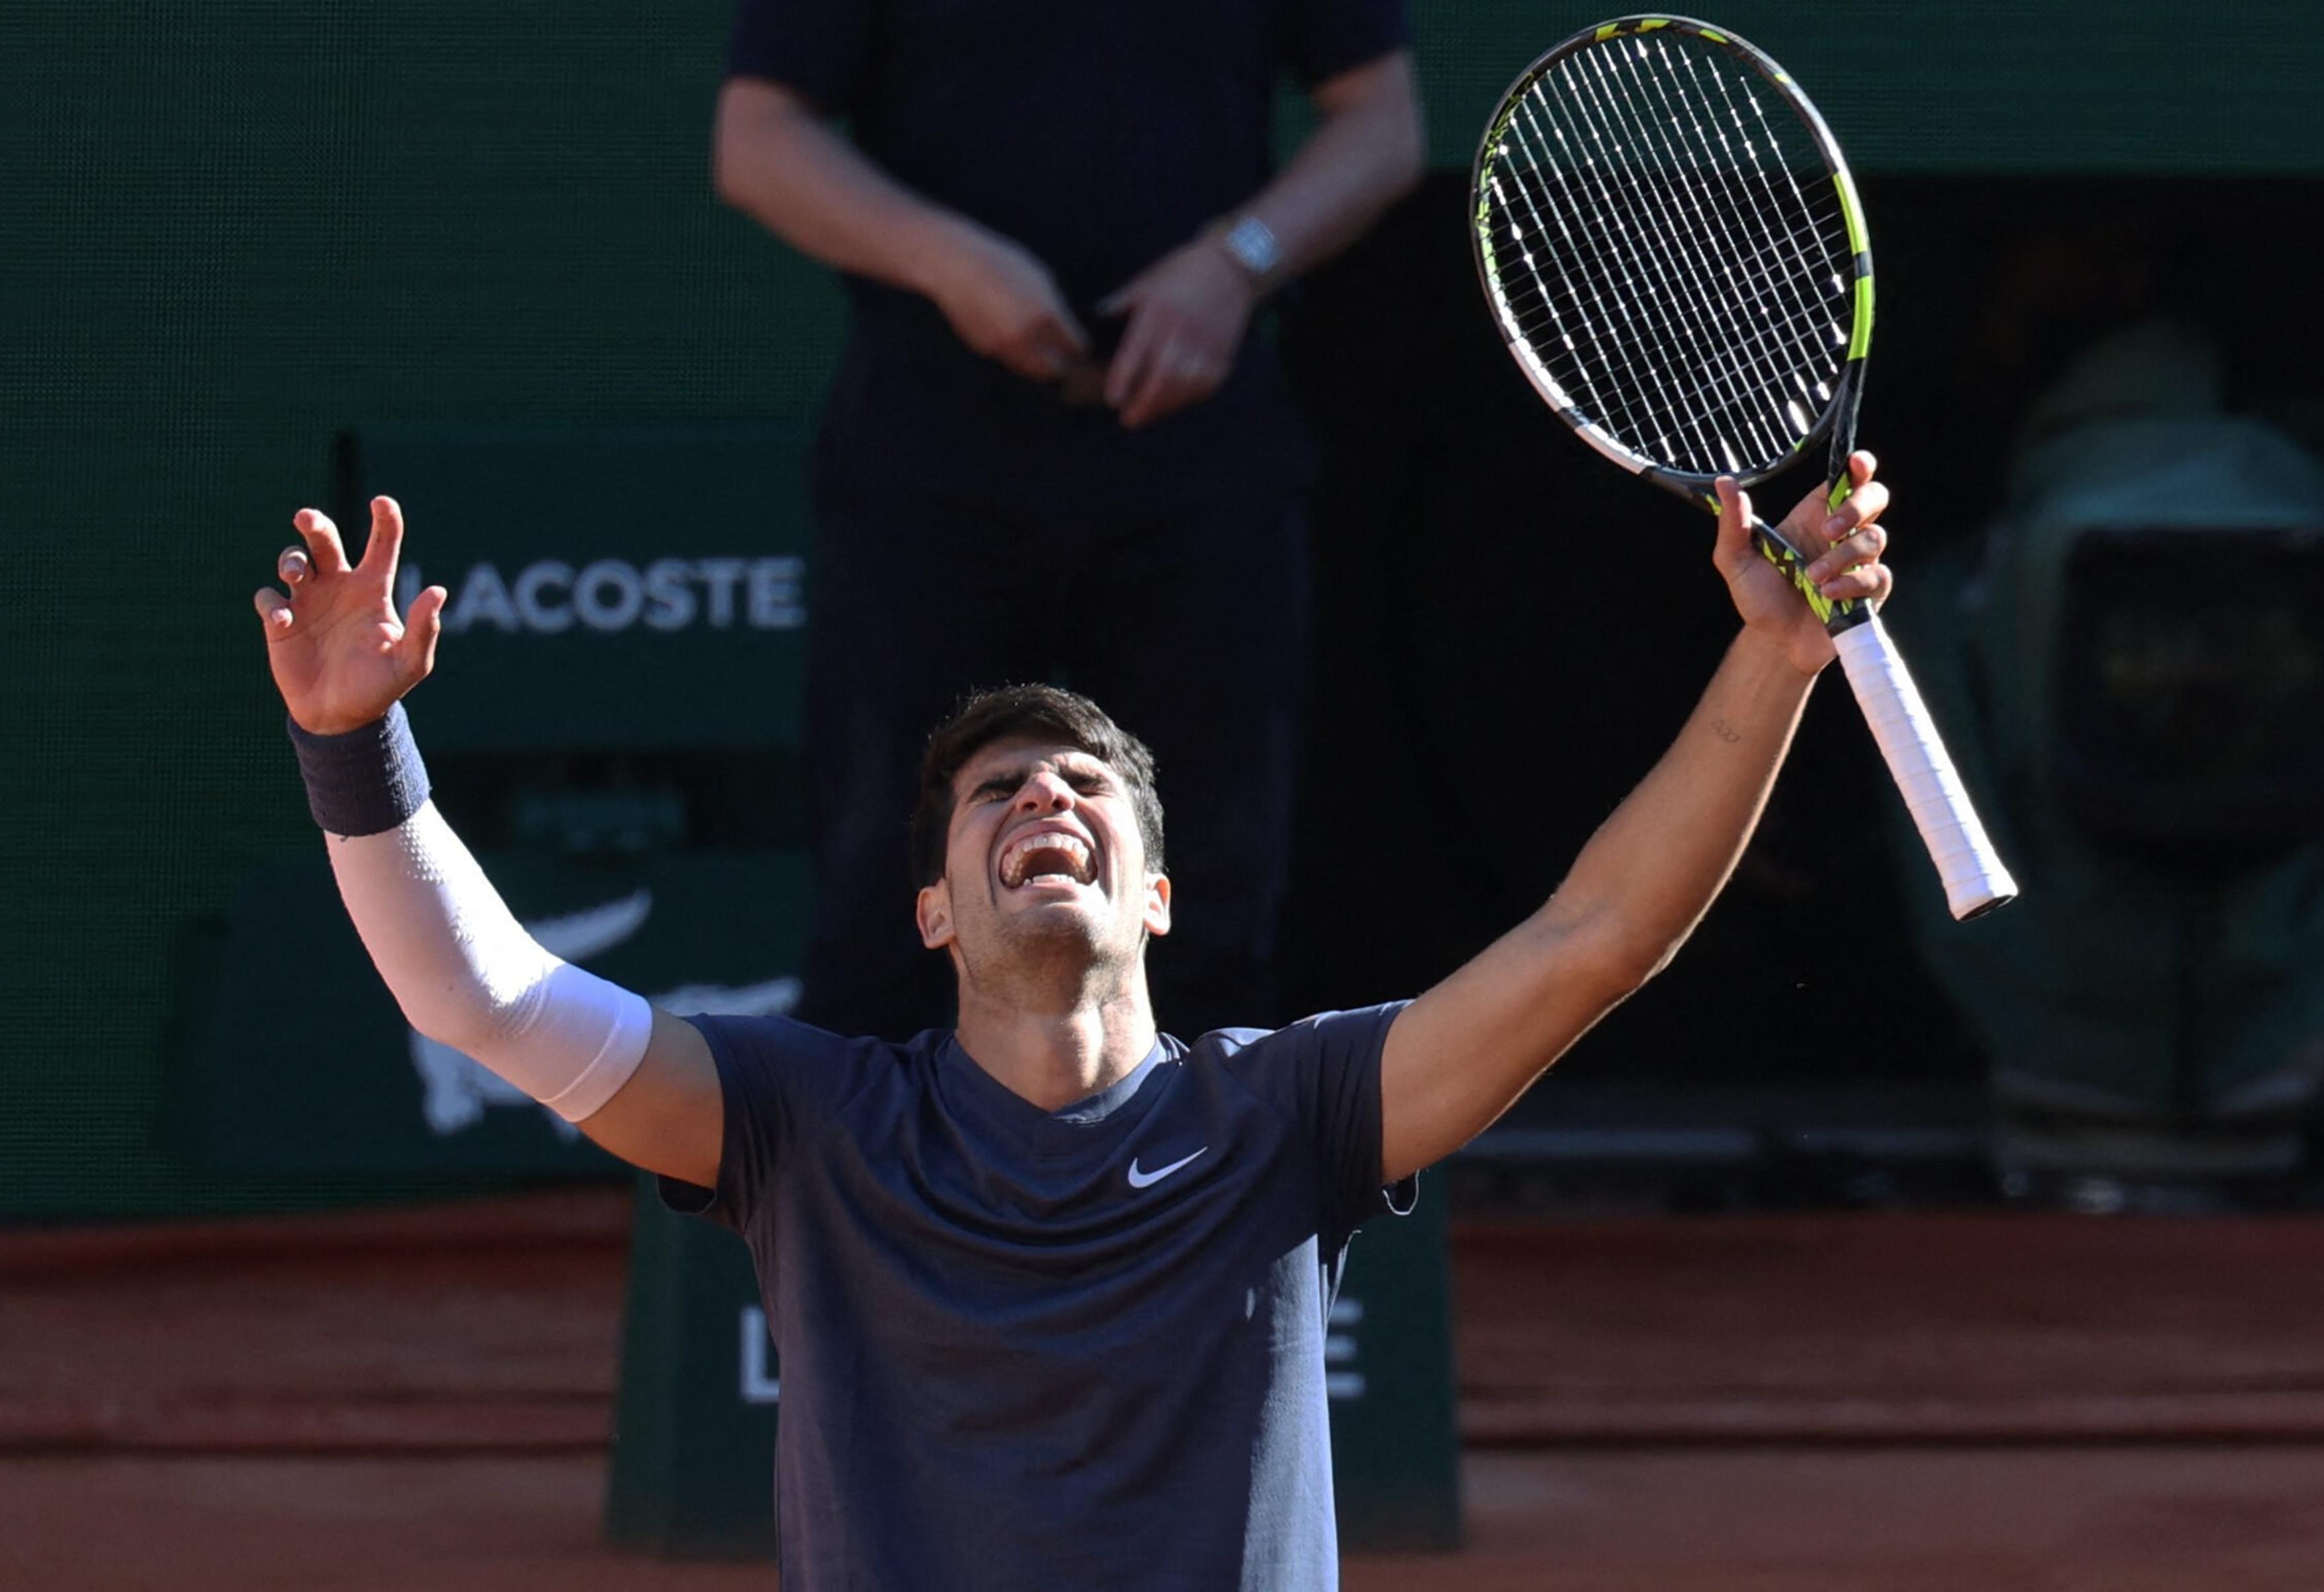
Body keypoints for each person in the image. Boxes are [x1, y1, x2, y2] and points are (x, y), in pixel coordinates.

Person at [249, 456, 1893, 1589]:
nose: (1043, 791)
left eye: (1085, 784)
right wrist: (356, 755)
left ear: (1160, 897)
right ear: (934, 912)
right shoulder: (803, 1128)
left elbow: (1593, 940)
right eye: (992, 793)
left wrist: (1773, 662)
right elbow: (486, 998)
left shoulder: (1292, 1116)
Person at [710, 0, 1425, 1042]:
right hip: (930, 475)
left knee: (1206, 906)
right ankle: (878, 1204)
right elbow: (760, 138)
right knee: (894, 897)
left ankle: (1190, 1199)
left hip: (1200, 474)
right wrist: (946, 258)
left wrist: (1237, 263)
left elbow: (1381, 120)